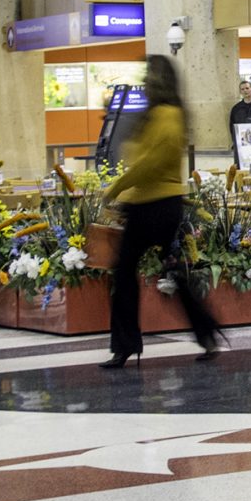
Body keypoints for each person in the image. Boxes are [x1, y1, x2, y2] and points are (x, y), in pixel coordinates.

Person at [99, 55, 224, 368]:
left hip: (156, 206)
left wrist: (115, 189)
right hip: (148, 205)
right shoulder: (155, 116)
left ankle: (127, 345)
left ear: (159, 80)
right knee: (167, 272)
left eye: (148, 76)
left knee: (127, 271)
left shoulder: (168, 117)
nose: (144, 81)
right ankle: (206, 333)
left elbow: (151, 164)